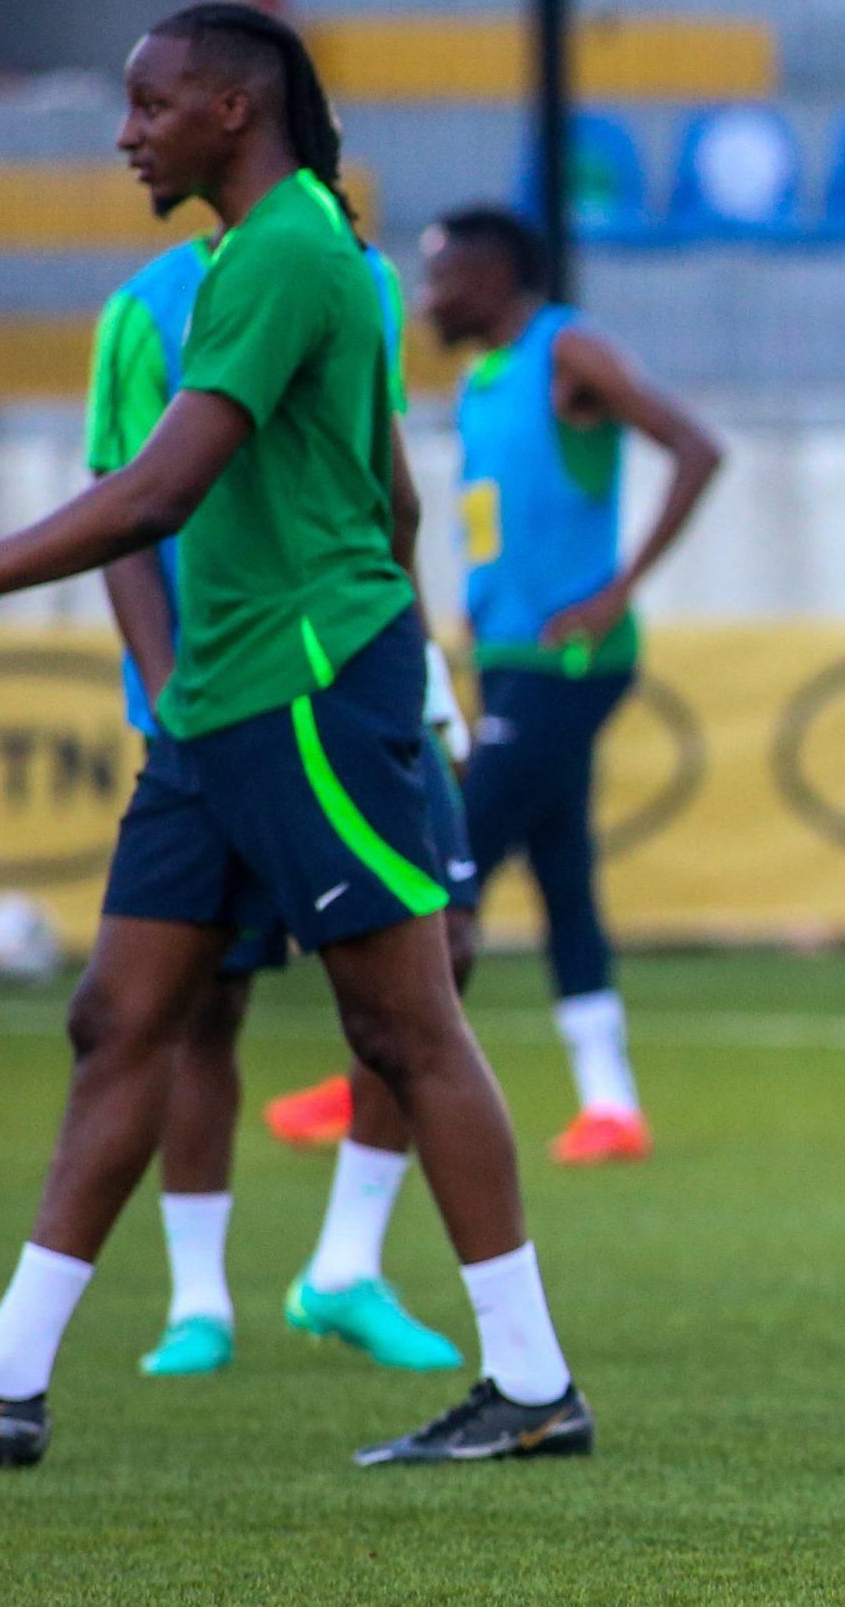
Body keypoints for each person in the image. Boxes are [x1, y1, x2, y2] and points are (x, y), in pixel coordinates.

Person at [0, 2, 589, 1468]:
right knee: (119, 1017)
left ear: (233, 113)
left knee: (403, 1021)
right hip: (224, 696)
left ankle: (531, 1384)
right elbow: (382, 484)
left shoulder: (286, 253)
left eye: (149, 106)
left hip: (308, 687)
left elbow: (153, 496)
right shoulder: (296, 253)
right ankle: (4, 1375)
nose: (126, 132)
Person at [85, 230, 480, 1379]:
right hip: (214, 709)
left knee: (436, 964)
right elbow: (123, 511)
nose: (133, 135)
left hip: (347, 688)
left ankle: (346, 1266)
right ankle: (195, 1301)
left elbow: (377, 489)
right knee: (201, 1002)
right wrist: (169, 702)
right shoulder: (143, 309)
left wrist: (424, 672)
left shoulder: (357, 280)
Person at [346, 202, 720, 1168]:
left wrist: (618, 589)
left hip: (574, 659)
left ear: (496, 276)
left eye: (441, 278)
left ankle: (379, 1076)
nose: (426, 297)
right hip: (511, 657)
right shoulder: (481, 383)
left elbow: (696, 447)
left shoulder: (568, 351)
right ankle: (610, 1104)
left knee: (446, 855)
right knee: (564, 877)